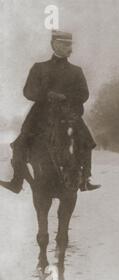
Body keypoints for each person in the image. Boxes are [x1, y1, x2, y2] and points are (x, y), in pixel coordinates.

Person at [0, 30, 100, 193]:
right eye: (65, 44)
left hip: (68, 115)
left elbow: (84, 94)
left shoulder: (76, 71)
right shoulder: (39, 68)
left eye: (70, 45)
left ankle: (85, 179)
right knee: (20, 144)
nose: (69, 48)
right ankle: (16, 181)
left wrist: (65, 97)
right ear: (54, 45)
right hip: (40, 115)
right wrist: (47, 95)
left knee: (86, 141)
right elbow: (28, 91)